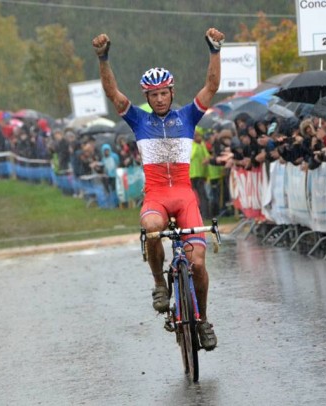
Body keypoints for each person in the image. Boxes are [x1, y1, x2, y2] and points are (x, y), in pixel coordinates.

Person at [92, 27, 225, 350]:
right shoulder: (139, 120)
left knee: (197, 265)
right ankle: (158, 284)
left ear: (171, 92)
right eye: (154, 95)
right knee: (151, 227)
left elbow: (211, 85)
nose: (161, 98)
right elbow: (113, 93)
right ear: (147, 98)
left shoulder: (188, 116)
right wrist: (103, 58)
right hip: (156, 196)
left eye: (165, 93)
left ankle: (203, 320)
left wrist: (215, 50)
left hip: (184, 196)